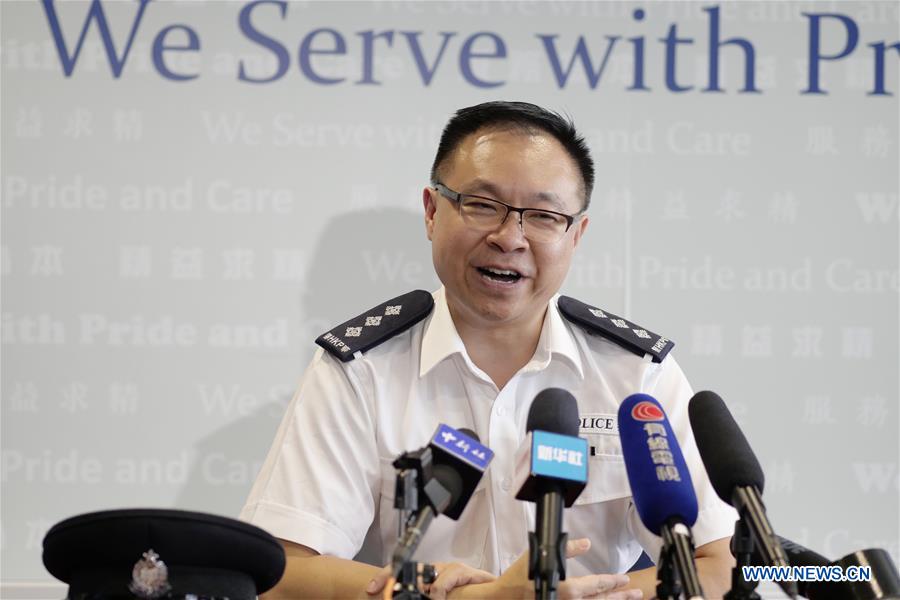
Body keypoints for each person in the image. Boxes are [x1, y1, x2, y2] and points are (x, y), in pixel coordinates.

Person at [240, 101, 737, 599]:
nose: (509, 238)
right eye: (482, 205)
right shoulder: (361, 370)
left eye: (543, 216)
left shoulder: (636, 374)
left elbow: (720, 565)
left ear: (576, 235)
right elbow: (282, 575)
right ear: (432, 212)